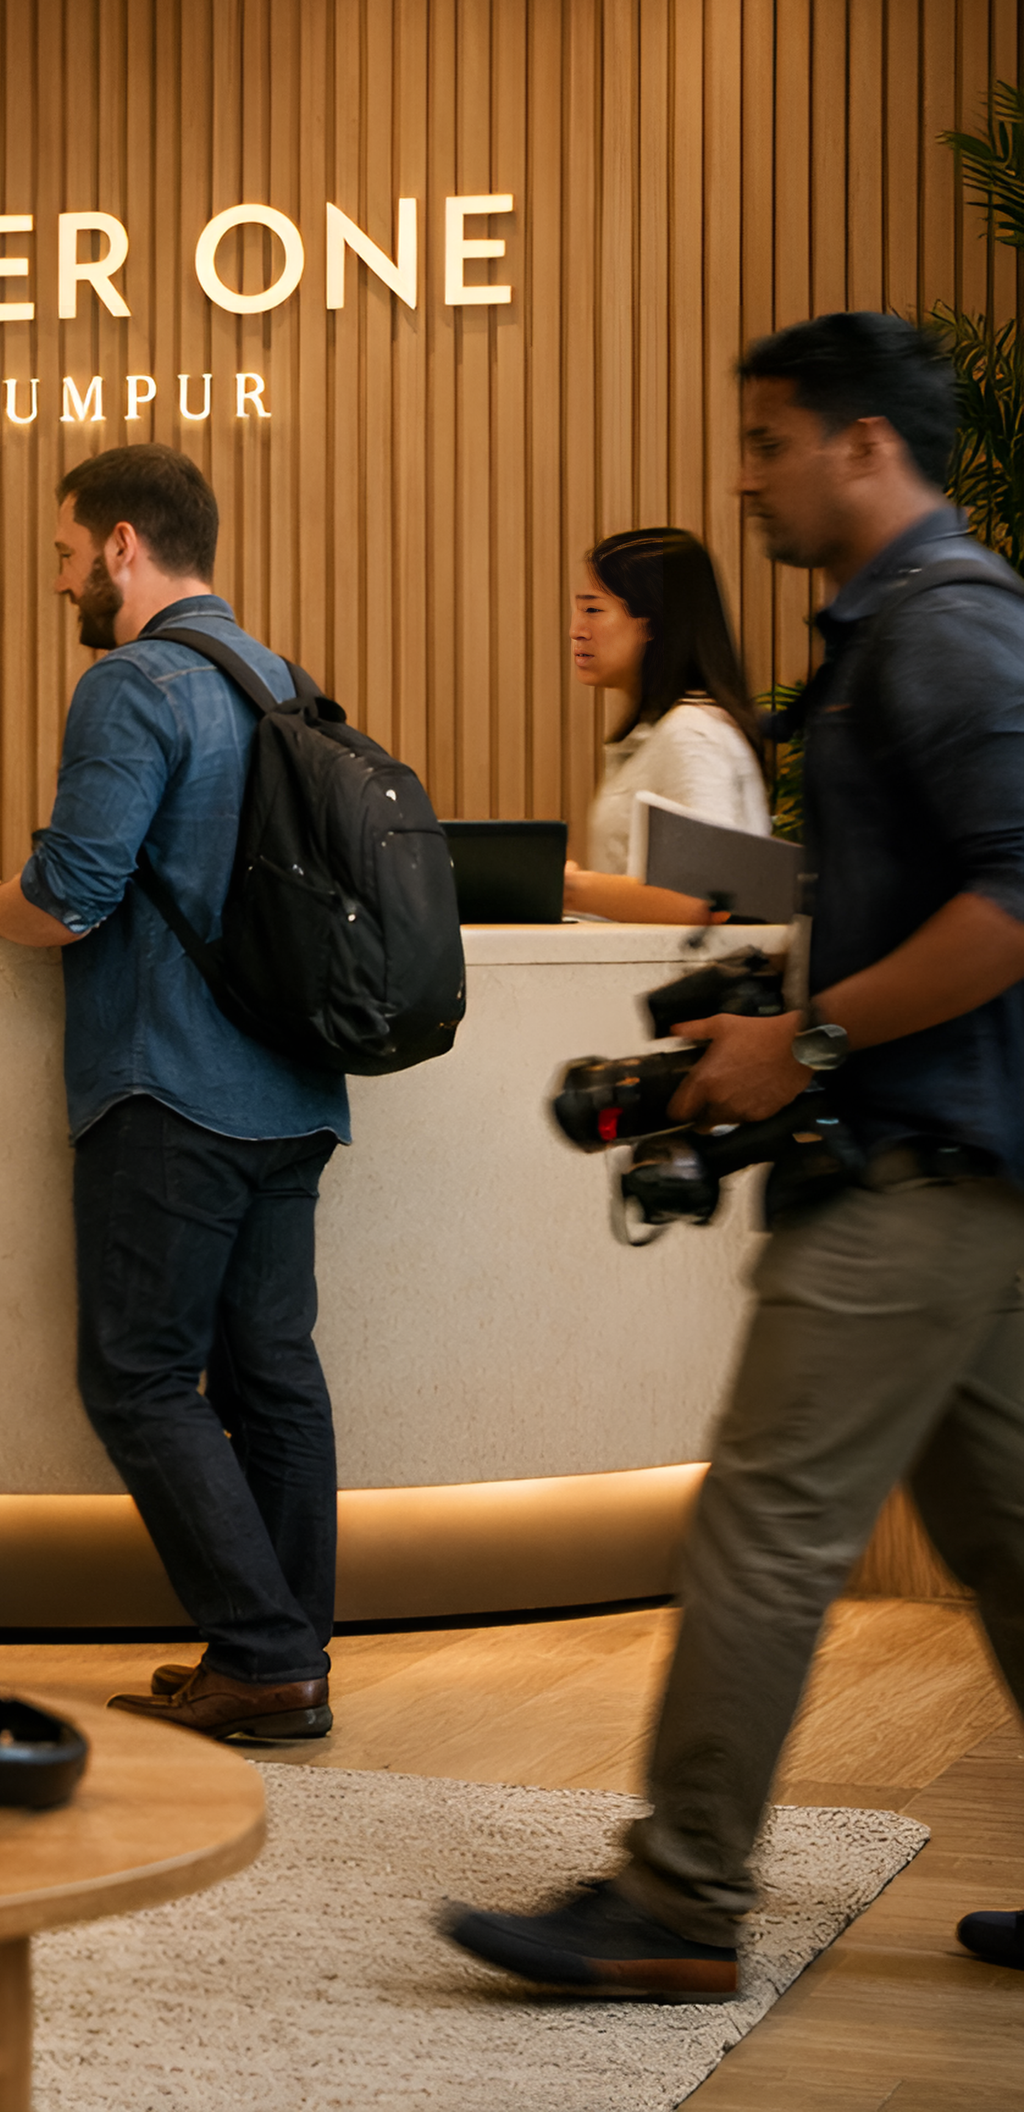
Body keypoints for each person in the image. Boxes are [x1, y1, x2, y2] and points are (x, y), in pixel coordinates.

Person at [445, 312, 1024, 1996]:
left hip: (920, 1165)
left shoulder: (948, 630)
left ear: (864, 447)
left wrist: (816, 1038)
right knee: (1006, 1542)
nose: (746, 475)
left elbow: (1018, 893)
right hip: (953, 1166)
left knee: (763, 1522)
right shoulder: (888, 637)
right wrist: (760, 1027)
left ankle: (683, 1900)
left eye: (771, 441)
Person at [0, 446, 350, 1741]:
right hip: (292, 1086)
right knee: (273, 1374)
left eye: (66, 553)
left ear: (123, 545)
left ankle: (263, 1650)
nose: (62, 578)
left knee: (135, 1376)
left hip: (168, 1084)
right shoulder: (286, 681)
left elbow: (71, 896)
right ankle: (286, 1661)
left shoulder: (131, 684)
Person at [565, 527, 772, 924]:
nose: (577, 629)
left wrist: (570, 887)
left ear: (652, 624)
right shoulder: (664, 731)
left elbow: (705, 896)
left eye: (593, 609)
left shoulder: (692, 733)